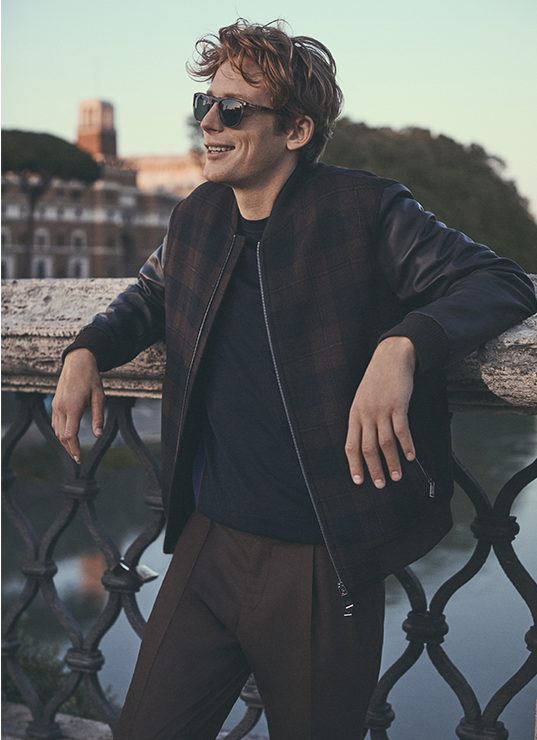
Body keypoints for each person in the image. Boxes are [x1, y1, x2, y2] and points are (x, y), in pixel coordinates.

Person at [52, 19, 537, 740]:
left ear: (297, 130)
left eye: (234, 108)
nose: (209, 123)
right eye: (205, 104)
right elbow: (152, 296)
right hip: (208, 545)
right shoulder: (196, 216)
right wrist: (87, 348)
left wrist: (403, 344)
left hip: (324, 558)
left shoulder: (366, 210)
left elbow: (500, 280)